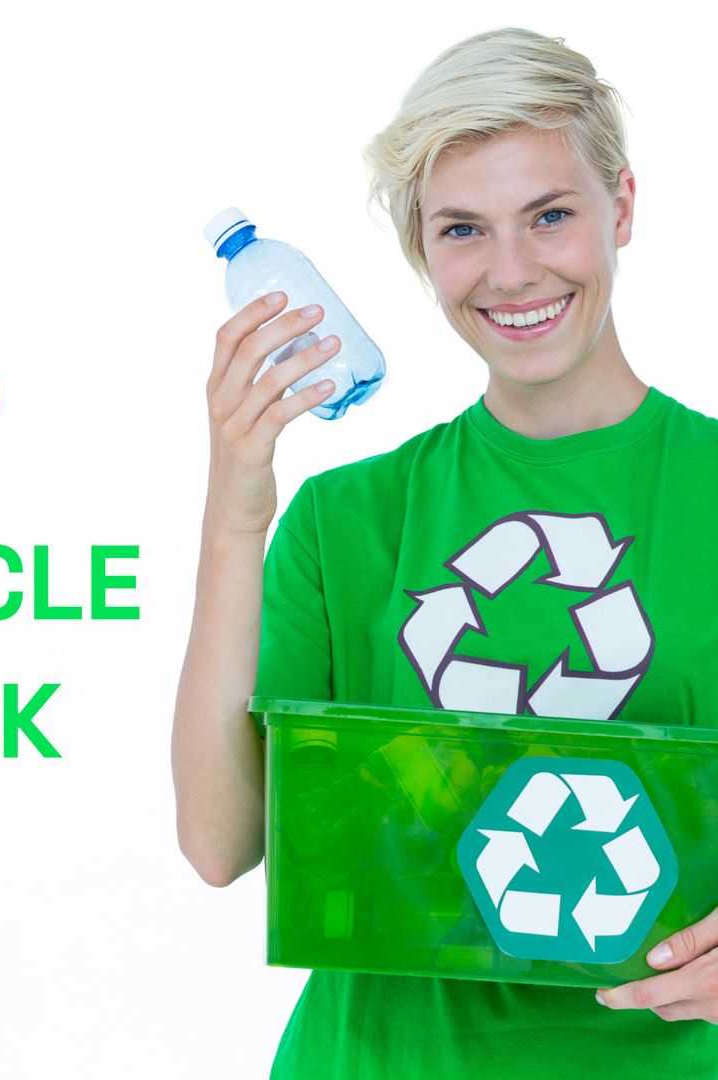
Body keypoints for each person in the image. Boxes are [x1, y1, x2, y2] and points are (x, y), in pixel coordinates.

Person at [171, 24, 718, 1079]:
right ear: (422, 251)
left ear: (625, 207)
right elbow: (219, 843)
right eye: (463, 230)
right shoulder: (346, 517)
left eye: (550, 216)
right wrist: (239, 513)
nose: (512, 274)